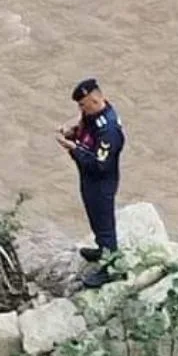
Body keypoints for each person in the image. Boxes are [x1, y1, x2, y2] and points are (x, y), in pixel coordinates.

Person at [58, 78, 123, 286]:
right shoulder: (92, 115)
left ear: (95, 101)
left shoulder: (109, 130)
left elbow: (99, 165)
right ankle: (102, 250)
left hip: (101, 181)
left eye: (83, 105)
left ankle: (111, 266)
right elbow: (85, 131)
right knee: (94, 218)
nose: (81, 110)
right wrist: (73, 134)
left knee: (104, 224)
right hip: (88, 177)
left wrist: (73, 149)